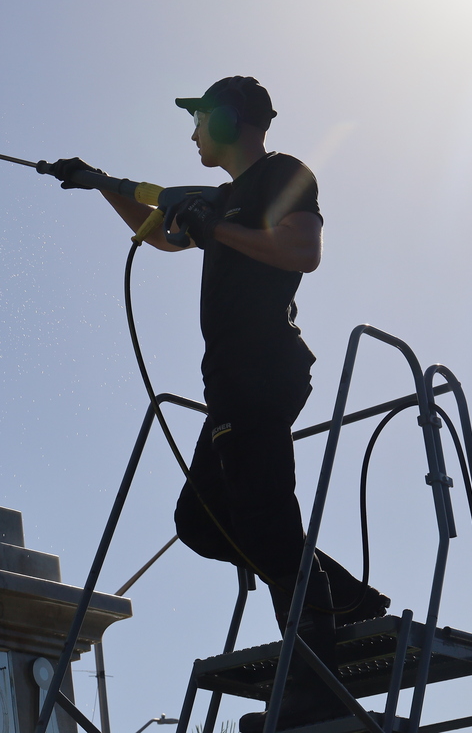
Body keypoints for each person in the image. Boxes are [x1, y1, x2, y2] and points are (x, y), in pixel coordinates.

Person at [47, 76, 388, 731]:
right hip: (229, 380)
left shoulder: (283, 174)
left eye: (201, 120)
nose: (193, 133)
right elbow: (162, 233)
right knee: (201, 521)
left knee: (261, 515)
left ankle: (313, 682)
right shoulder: (221, 199)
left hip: (264, 370)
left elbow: (302, 249)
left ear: (232, 122)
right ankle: (338, 595)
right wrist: (100, 183)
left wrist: (219, 231)